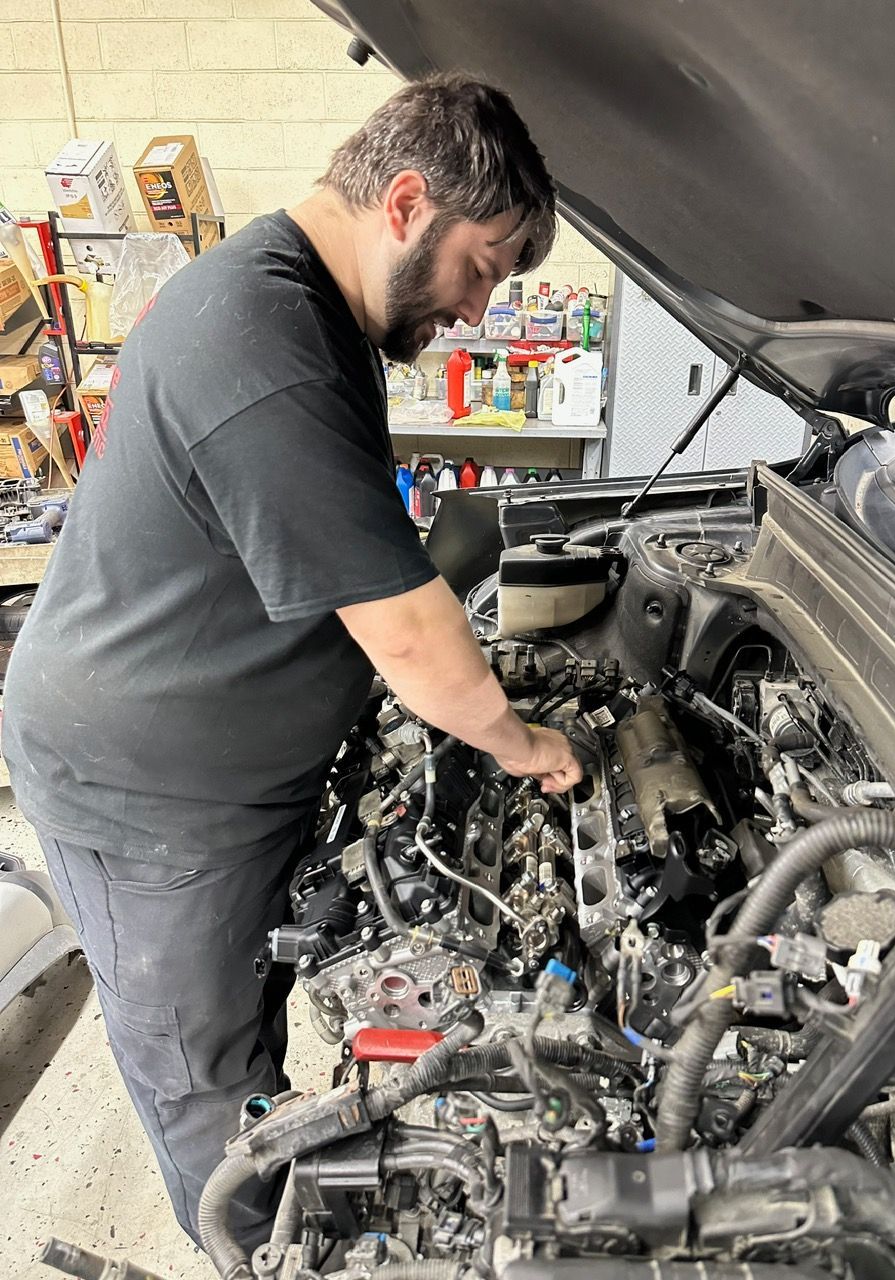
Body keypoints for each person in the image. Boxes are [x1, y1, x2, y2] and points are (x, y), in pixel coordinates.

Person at [2, 73, 581, 1250]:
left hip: (213, 773)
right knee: (213, 1097)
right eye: (483, 263)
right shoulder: (261, 334)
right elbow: (410, 632)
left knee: (248, 1033)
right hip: (150, 805)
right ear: (408, 201)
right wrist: (528, 745)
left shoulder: (305, 308)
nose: (477, 309)